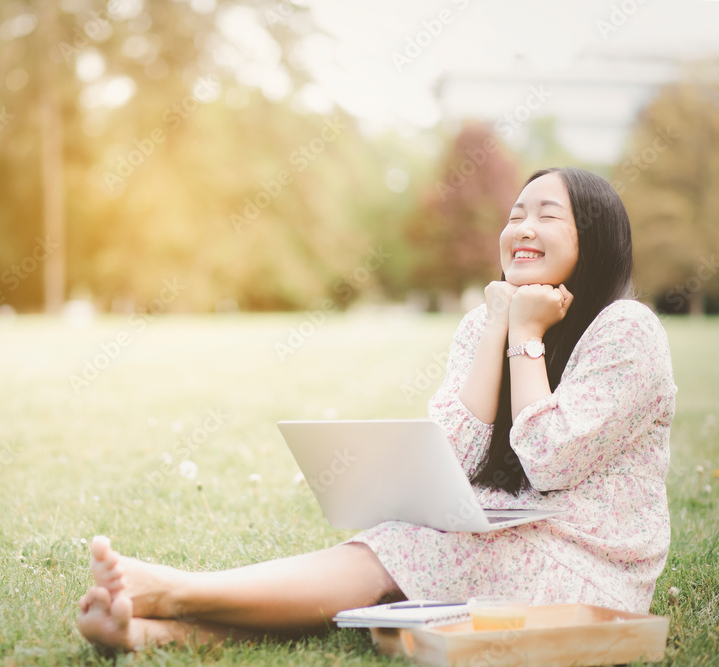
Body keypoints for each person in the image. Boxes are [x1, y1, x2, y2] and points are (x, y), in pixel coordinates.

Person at [76, 167, 677, 651]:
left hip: (590, 566)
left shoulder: (626, 330)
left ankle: (176, 591)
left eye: (548, 215)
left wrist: (526, 337)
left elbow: (549, 461)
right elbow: (451, 458)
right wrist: (497, 327)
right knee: (408, 542)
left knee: (420, 554)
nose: (522, 226)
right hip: (503, 535)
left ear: (594, 238)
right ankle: (151, 631)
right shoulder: (485, 323)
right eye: (516, 213)